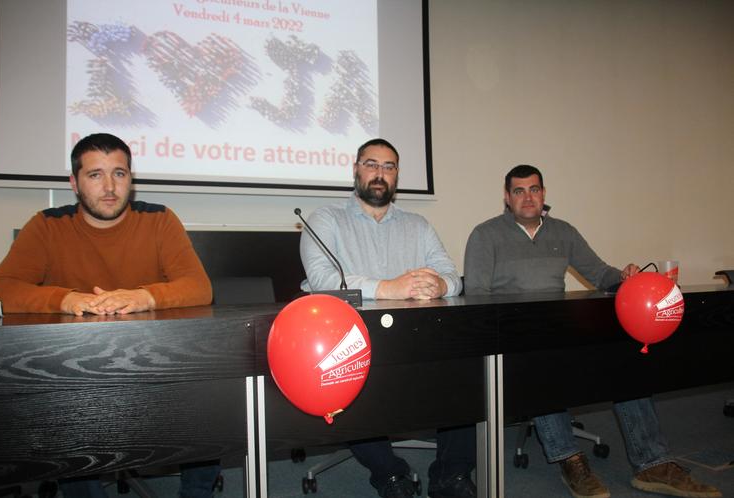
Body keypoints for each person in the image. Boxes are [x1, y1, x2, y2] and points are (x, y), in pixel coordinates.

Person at [463, 164, 721, 498]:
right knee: (543, 368)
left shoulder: (563, 231)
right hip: (516, 339)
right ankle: (570, 459)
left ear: (543, 193)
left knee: (626, 361)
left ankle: (652, 463)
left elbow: (599, 273)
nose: (528, 197)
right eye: (519, 191)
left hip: (564, 331)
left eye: (534, 189)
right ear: (507, 197)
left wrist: (624, 277)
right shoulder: (485, 235)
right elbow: (477, 297)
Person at [0, 133, 219, 498]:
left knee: (211, 399)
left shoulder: (159, 219)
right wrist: (65, 299)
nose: (109, 187)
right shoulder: (47, 225)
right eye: (95, 175)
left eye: (119, 174)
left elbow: (199, 287)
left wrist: (144, 296)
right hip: (76, 370)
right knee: (67, 412)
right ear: (74, 182)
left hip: (156, 364)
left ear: (131, 179)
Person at [300, 138, 476, 498]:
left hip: (413, 340)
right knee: (347, 385)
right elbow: (322, 281)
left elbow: (452, 276)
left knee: (467, 374)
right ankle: (390, 474)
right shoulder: (325, 219)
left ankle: (451, 474)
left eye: (389, 166)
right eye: (371, 164)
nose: (380, 173)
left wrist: (440, 284)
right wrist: (389, 288)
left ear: (397, 175)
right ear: (355, 170)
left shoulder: (418, 225)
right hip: (347, 343)